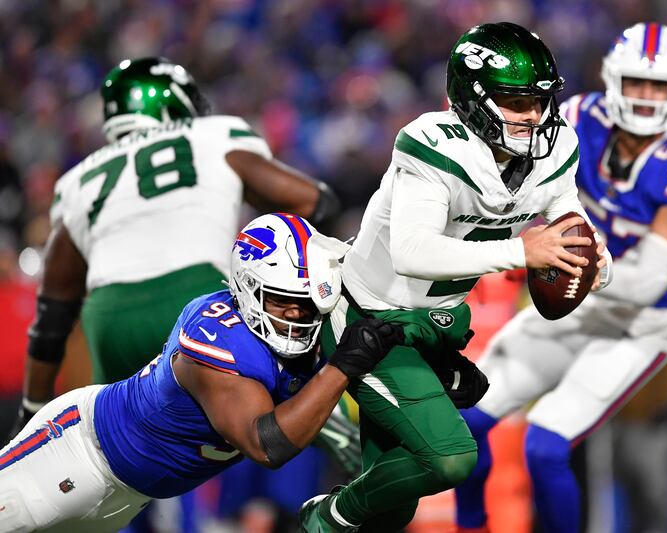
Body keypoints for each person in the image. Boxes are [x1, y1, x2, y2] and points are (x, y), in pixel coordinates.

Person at [299, 22, 609, 533]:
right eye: (515, 100)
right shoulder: (432, 143)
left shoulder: (554, 149)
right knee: (450, 458)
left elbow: (570, 218)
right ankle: (325, 517)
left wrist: (595, 259)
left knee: (392, 509)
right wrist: (520, 250)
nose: (533, 115)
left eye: (540, 101)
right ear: (471, 97)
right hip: (369, 318)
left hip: (431, 326)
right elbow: (412, 251)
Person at [454, 22, 667, 533]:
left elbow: (647, 281)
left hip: (637, 325)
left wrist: (575, 266)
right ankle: (472, 526)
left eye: (658, 86)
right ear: (612, 80)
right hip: (573, 304)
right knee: (466, 421)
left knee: (545, 444)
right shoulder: (578, 117)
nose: (646, 98)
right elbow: (522, 185)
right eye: (637, 83)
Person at [0, 213, 404, 533]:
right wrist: (341, 368)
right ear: (248, 288)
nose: (298, 314)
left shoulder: (301, 331)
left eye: (307, 300)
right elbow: (268, 446)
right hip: (78, 454)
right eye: (283, 301)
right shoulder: (217, 337)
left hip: (128, 496)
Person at [10, 57, 341, 436]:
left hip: (111, 318)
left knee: (119, 453)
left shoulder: (78, 179)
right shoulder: (216, 135)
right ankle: (331, 426)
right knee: (263, 408)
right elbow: (314, 203)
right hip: (198, 298)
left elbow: (53, 312)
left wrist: (32, 410)